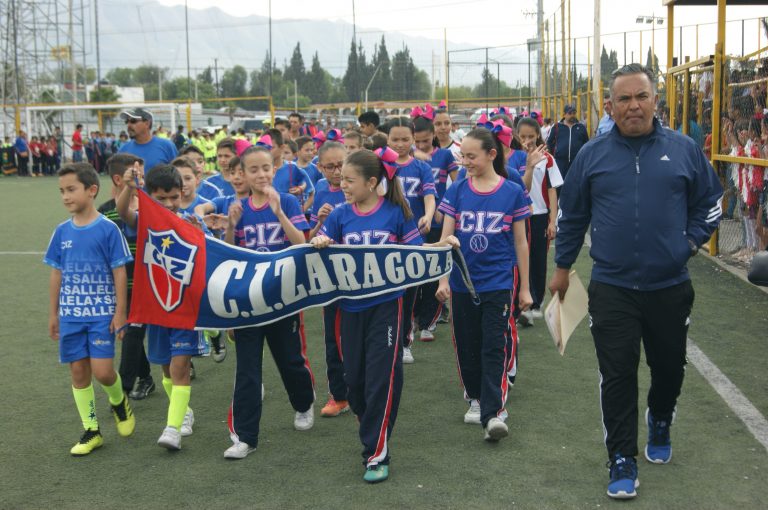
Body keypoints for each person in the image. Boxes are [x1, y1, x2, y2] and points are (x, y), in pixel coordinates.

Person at [549, 64, 724, 500]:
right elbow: (572, 215)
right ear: (610, 106)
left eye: (640, 97)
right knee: (618, 374)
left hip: (670, 285)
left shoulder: (683, 149)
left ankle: (660, 417)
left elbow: (712, 201)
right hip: (612, 286)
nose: (633, 106)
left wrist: (687, 244)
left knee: (669, 368)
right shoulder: (592, 155)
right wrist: (562, 267)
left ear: (655, 101)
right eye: (623, 99)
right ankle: (621, 458)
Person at [311, 148, 426, 484]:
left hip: (387, 307)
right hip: (349, 309)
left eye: (349, 179)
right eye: (341, 179)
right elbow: (323, 243)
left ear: (372, 182)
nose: (342, 185)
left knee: (381, 379)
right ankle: (373, 424)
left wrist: (442, 247)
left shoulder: (396, 213)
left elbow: (416, 255)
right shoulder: (340, 216)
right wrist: (320, 240)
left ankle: (376, 454)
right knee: (355, 382)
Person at [436, 128, 532, 441]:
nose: (465, 162)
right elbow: (445, 240)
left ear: (492, 154)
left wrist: (526, 288)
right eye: (462, 156)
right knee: (467, 345)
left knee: (494, 344)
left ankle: (492, 412)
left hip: (498, 283)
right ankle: (475, 397)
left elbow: (521, 243)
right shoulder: (457, 190)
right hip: (463, 283)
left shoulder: (512, 191)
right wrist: (442, 280)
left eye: (471, 156)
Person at [222, 145, 315, 460]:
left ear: (273, 169)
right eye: (253, 170)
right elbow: (228, 255)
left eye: (265, 168)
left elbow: (300, 244)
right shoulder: (237, 205)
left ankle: (303, 402)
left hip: (283, 297)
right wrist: (232, 226)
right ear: (243, 175)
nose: (260, 174)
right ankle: (245, 437)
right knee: (248, 369)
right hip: (248, 301)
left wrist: (278, 212)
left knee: (290, 361)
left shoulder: (287, 201)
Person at [44, 162, 135, 456]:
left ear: (91, 190)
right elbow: (56, 273)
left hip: (101, 314)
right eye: (62, 191)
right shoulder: (61, 232)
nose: (66, 196)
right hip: (71, 315)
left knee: (104, 372)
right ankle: (92, 430)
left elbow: (120, 272)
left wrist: (120, 312)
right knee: (79, 373)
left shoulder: (107, 229)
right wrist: (53, 313)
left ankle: (119, 400)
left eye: (71, 189)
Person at [117, 164, 207, 450]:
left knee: (181, 366)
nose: (168, 204)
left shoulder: (191, 222)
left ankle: (172, 428)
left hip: (185, 310)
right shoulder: (145, 220)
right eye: (161, 198)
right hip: (157, 310)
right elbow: (123, 214)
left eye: (174, 197)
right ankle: (184, 411)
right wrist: (129, 188)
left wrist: (201, 230)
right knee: (166, 369)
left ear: (182, 193)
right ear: (149, 197)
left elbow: (206, 257)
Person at [99, 154, 156, 401]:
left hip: (145, 286)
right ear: (118, 178)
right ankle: (146, 378)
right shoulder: (104, 213)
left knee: (133, 333)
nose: (140, 179)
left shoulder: (150, 206)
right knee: (127, 334)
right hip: (119, 287)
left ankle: (121, 390)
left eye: (141, 175)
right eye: (135, 175)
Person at [305, 141, 349, 417]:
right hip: (331, 277)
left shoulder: (364, 187)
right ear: (320, 167)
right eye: (330, 166)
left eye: (341, 164)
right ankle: (339, 394)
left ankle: (366, 389)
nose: (336, 171)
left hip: (364, 275)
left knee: (364, 339)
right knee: (333, 339)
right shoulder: (320, 190)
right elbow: (310, 238)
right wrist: (320, 222)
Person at [387, 116, 436, 363]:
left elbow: (429, 196)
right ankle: (388, 341)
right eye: (394, 139)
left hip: (412, 239)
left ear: (413, 139)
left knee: (408, 293)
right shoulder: (379, 165)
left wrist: (427, 216)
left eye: (405, 139)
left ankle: (405, 341)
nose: (400, 144)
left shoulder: (421, 168)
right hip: (385, 240)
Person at [411, 114, 458, 341]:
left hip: (438, 222)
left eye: (425, 141)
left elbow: (458, 183)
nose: (421, 146)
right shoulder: (405, 158)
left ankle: (428, 322)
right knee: (412, 273)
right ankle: (412, 318)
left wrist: (443, 205)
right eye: (416, 141)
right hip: (410, 223)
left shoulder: (445, 155)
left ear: (433, 137)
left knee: (433, 271)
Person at [518, 118, 562, 322]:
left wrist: (552, 220)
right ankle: (520, 302)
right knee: (518, 259)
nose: (527, 140)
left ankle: (536, 301)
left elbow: (552, 191)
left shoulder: (548, 159)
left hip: (540, 216)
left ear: (538, 134)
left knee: (538, 259)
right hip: (519, 217)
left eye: (530, 136)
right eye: (523, 136)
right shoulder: (515, 158)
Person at [118, 108, 178, 174]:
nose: (129, 125)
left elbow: (178, 174)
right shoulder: (123, 150)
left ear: (147, 123)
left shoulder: (167, 146)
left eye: (133, 121)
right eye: (127, 121)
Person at [546, 104, 589, 181]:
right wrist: (552, 156)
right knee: (560, 184)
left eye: (574, 113)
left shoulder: (581, 127)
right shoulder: (556, 126)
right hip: (560, 162)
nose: (572, 115)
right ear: (564, 114)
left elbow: (586, 144)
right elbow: (549, 142)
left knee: (575, 184)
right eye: (570, 113)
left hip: (577, 162)